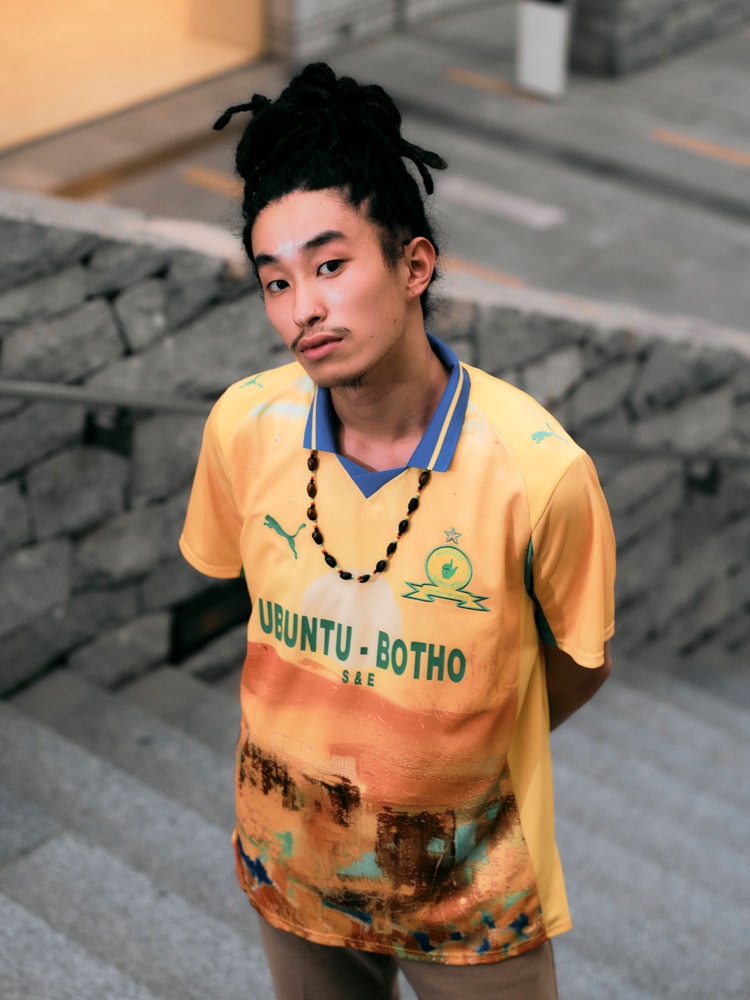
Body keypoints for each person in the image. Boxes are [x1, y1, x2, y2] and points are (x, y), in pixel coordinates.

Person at [179, 62, 616, 1000]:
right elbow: (246, 587)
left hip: (469, 894)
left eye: (331, 266)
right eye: (275, 281)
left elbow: (579, 662)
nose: (303, 308)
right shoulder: (243, 426)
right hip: (287, 864)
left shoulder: (541, 471)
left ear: (414, 266)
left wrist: (449, 751)